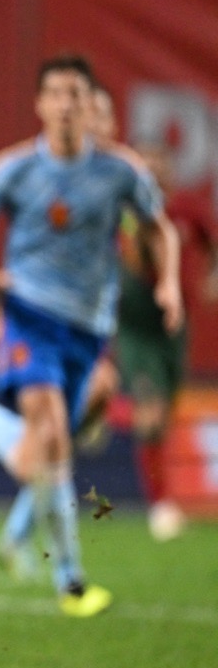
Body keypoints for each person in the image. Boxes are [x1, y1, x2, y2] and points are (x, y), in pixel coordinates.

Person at [0, 54, 181, 617]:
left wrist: (170, 286)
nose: (68, 108)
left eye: (78, 98)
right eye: (57, 95)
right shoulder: (15, 169)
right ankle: (71, 582)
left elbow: (155, 229)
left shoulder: (118, 174)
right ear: (41, 104)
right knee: (55, 438)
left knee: (40, 453)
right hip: (27, 319)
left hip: (87, 331)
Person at [115, 143, 218, 541]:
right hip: (138, 327)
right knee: (152, 413)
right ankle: (161, 504)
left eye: (160, 169)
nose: (154, 176)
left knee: (164, 414)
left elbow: (211, 245)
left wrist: (208, 278)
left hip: (175, 328)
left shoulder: (189, 211)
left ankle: (107, 409)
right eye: (146, 170)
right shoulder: (128, 216)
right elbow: (134, 263)